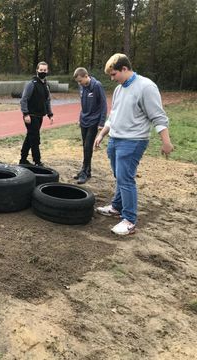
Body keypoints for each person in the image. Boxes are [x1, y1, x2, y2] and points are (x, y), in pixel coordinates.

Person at [94, 53, 174, 236]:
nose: (112, 79)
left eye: (114, 74)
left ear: (124, 68)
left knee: (125, 178)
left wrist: (166, 141)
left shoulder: (146, 87)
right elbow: (113, 116)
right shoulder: (119, 89)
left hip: (133, 141)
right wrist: (102, 134)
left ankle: (129, 220)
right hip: (115, 139)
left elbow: (158, 116)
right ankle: (116, 207)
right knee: (119, 175)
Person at [73, 67, 107, 184]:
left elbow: (103, 105)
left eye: (80, 81)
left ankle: (85, 173)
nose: (79, 83)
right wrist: (80, 118)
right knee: (84, 146)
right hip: (84, 120)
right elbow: (83, 104)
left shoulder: (97, 86)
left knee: (88, 146)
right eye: (78, 82)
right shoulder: (81, 86)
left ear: (86, 76)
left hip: (94, 121)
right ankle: (86, 170)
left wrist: (102, 123)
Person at [19, 61, 53, 166]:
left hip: (40, 116)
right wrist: (26, 114)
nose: (43, 72)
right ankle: (37, 161)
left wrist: (50, 114)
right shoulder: (31, 84)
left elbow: (47, 101)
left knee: (30, 137)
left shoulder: (46, 85)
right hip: (31, 116)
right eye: (41, 70)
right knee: (35, 139)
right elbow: (23, 100)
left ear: (47, 71)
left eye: (45, 70)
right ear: (37, 70)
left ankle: (23, 159)